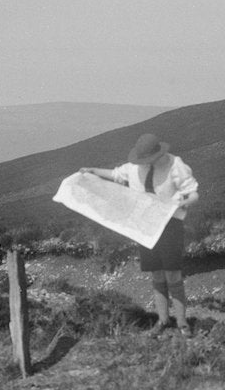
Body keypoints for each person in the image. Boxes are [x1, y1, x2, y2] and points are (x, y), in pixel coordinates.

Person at [80, 133, 199, 337]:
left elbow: (194, 194)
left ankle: (182, 323)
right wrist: (92, 171)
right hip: (145, 227)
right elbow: (116, 175)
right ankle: (162, 321)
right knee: (157, 274)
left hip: (170, 226)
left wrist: (179, 203)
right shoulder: (133, 168)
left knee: (173, 274)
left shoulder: (175, 165)